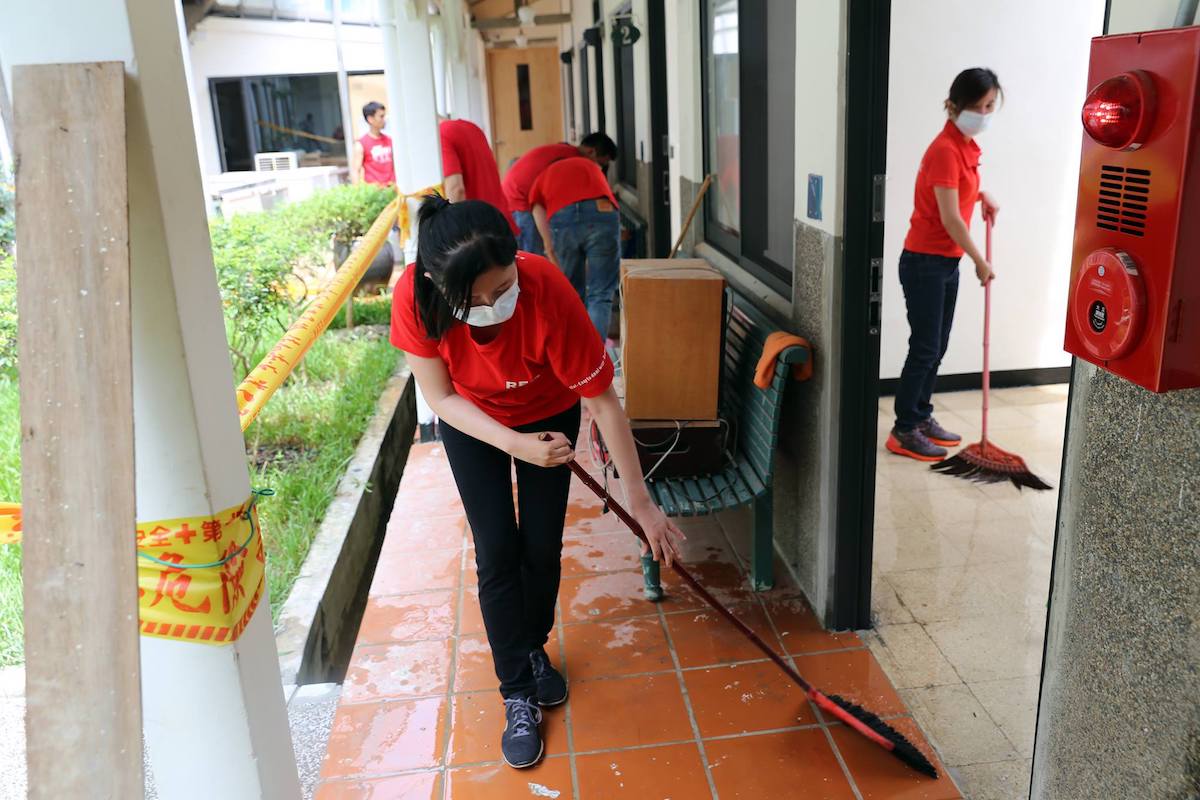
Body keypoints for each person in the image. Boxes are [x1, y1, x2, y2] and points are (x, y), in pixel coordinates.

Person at [389, 197, 684, 770]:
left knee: (541, 545)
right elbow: (441, 397)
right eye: (474, 300)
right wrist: (515, 444)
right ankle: (516, 691)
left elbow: (601, 402)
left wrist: (640, 503)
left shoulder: (545, 289)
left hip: (548, 412)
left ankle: (532, 646)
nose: (494, 307)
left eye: (503, 289)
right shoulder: (414, 297)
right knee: (497, 549)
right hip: (471, 419)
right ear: (436, 283)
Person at [888, 68, 1001, 462]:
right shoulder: (945, 150)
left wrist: (981, 194)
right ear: (954, 106)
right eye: (979, 106)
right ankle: (904, 430)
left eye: (990, 106)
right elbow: (951, 218)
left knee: (935, 347)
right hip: (925, 262)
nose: (985, 113)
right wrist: (980, 261)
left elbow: (957, 194)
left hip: (944, 262)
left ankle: (920, 416)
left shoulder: (964, 146)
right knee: (924, 348)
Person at [529, 156, 621, 341]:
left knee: (572, 294)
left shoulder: (543, 176)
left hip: (563, 218)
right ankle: (597, 357)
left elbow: (537, 211)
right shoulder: (590, 165)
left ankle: (578, 354)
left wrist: (550, 249)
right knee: (600, 293)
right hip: (602, 213)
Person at [502, 133, 619, 255]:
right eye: (599, 165)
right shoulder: (571, 160)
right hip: (518, 199)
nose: (598, 169)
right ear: (591, 152)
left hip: (514, 194)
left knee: (542, 250)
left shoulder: (566, 151)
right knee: (533, 254)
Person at [439, 118, 518, 235]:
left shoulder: (441, 134)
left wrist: (454, 234)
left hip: (479, 235)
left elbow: (456, 189)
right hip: (500, 222)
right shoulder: (472, 127)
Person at [352, 101, 394, 186]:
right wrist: (357, 192)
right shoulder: (361, 144)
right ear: (370, 119)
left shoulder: (390, 140)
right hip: (375, 193)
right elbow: (356, 171)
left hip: (393, 190)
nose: (384, 119)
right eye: (381, 116)